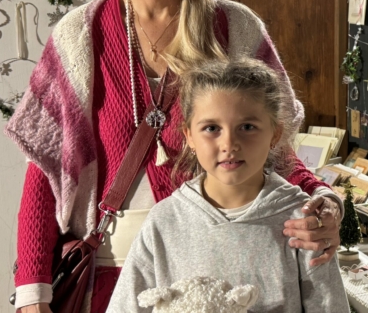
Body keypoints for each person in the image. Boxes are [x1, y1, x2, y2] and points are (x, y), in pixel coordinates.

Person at [5, 0, 341, 311]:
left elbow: (270, 146)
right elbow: (45, 168)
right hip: (103, 281)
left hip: (217, 277)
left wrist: (323, 201)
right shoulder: (79, 35)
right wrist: (32, 290)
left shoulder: (237, 28)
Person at [107, 60, 349, 312]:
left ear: (275, 134)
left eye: (247, 127)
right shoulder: (164, 221)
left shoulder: (302, 223)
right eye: (211, 128)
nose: (229, 143)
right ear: (189, 135)